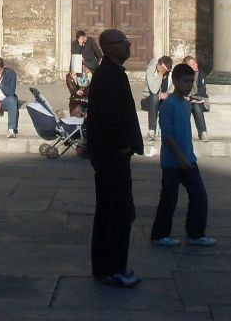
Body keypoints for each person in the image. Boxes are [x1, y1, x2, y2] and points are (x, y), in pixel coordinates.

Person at [86, 29, 144, 288]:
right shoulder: (109, 74)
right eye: (122, 42)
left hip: (107, 154)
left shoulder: (111, 72)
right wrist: (122, 145)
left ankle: (103, 267)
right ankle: (113, 269)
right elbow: (109, 116)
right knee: (119, 212)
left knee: (108, 211)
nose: (127, 44)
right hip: (112, 155)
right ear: (109, 47)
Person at [150, 63, 215, 248]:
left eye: (191, 81)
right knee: (169, 199)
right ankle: (160, 235)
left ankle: (195, 233)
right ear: (175, 81)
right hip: (173, 162)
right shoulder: (168, 104)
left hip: (188, 158)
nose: (189, 85)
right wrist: (180, 157)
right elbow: (168, 135)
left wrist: (188, 156)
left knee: (199, 196)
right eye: (185, 81)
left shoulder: (186, 104)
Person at [144, 55, 172, 140]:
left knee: (171, 101)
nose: (161, 69)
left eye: (164, 69)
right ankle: (152, 131)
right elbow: (154, 90)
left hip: (163, 101)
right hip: (148, 100)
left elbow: (174, 90)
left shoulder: (171, 73)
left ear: (169, 69)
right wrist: (160, 74)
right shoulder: (151, 70)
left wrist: (167, 95)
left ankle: (166, 130)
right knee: (154, 96)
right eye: (159, 67)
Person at [183, 55, 210, 142]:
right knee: (188, 106)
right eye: (192, 64)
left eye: (195, 63)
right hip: (188, 101)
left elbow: (201, 91)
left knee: (196, 105)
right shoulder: (184, 77)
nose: (195, 65)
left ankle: (203, 133)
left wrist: (191, 98)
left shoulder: (202, 75)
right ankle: (185, 134)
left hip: (201, 100)